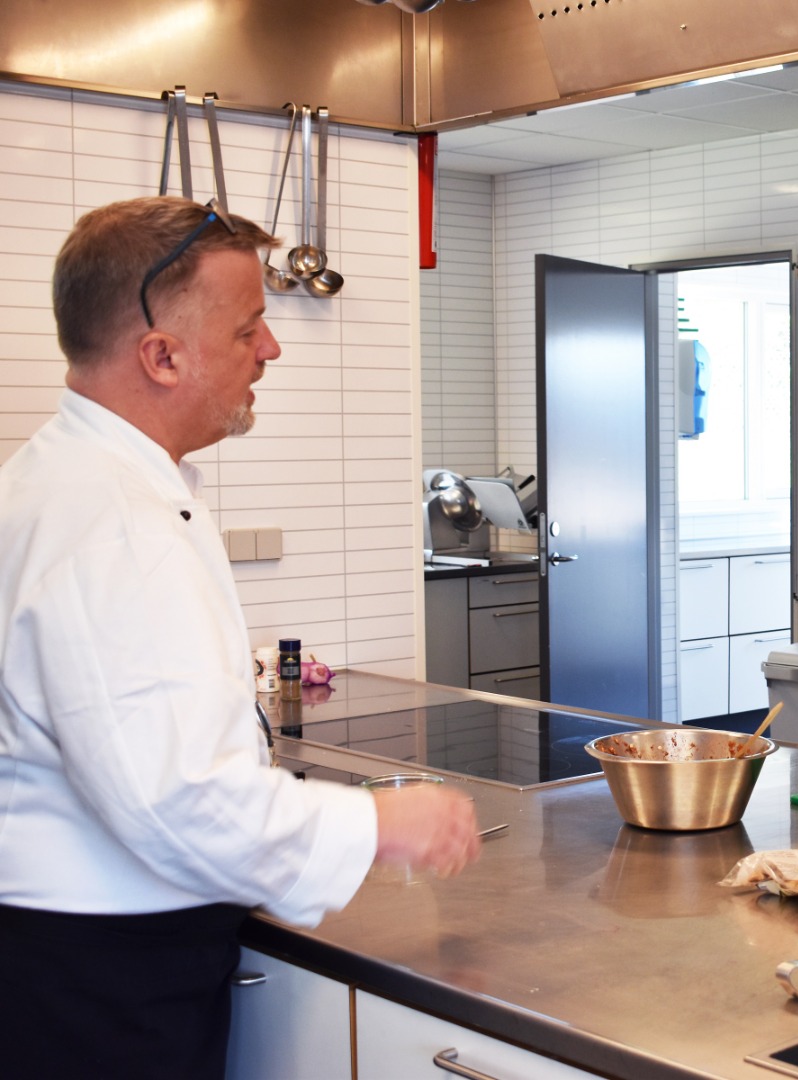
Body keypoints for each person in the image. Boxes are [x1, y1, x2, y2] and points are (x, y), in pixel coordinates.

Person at [0, 196, 483, 1079]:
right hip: (98, 985)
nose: (272, 348)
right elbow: (174, 800)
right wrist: (378, 820)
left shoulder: (55, 478)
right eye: (249, 327)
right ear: (162, 355)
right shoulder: (112, 520)